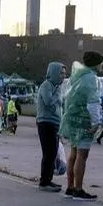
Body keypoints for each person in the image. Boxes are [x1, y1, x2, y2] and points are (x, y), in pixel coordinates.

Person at [59, 52, 103, 200]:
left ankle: (70, 186)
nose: (102, 66)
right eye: (101, 63)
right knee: (82, 155)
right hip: (83, 119)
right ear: (96, 64)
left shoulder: (76, 76)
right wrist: (96, 122)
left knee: (73, 152)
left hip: (72, 119)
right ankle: (78, 189)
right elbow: (93, 102)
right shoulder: (92, 79)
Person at [35, 61, 67, 193]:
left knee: (53, 152)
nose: (63, 76)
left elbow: (61, 105)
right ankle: (44, 182)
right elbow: (48, 102)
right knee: (48, 153)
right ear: (54, 72)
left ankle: (49, 179)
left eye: (65, 74)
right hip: (45, 122)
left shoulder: (57, 87)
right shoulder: (46, 85)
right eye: (61, 73)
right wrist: (57, 95)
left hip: (55, 123)